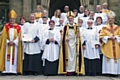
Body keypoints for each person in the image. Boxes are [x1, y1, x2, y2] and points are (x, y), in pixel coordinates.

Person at [58, 11, 85, 76]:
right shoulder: (65, 27)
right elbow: (63, 35)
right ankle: (68, 71)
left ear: (73, 18)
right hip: (67, 44)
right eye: (69, 18)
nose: (70, 19)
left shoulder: (76, 26)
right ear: (67, 19)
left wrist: (77, 36)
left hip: (75, 44)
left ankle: (75, 70)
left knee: (74, 57)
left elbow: (79, 36)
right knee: (68, 57)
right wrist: (65, 38)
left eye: (71, 18)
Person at [0, 10, 23, 75]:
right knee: (6, 58)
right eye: (10, 19)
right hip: (7, 46)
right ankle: (6, 70)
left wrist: (14, 42)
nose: (12, 21)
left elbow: (19, 36)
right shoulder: (6, 26)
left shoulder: (18, 27)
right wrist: (8, 42)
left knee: (14, 58)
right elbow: (3, 36)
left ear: (15, 19)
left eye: (13, 19)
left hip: (15, 46)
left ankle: (13, 70)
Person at [99, 10, 120, 77]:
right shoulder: (104, 28)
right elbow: (101, 36)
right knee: (109, 60)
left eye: (112, 19)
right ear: (108, 20)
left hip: (116, 46)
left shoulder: (118, 28)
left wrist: (116, 37)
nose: (111, 20)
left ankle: (115, 72)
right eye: (110, 19)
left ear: (114, 20)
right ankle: (108, 72)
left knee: (114, 60)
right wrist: (108, 38)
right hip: (108, 46)